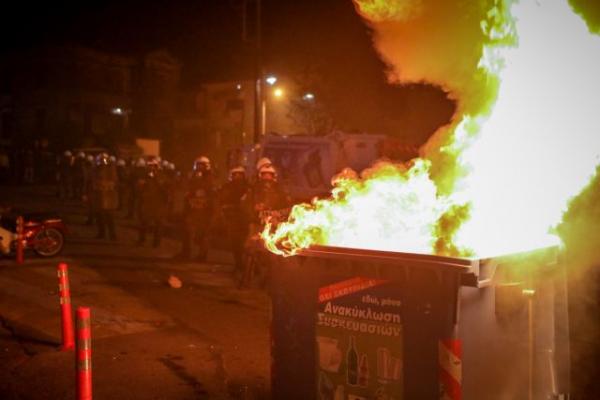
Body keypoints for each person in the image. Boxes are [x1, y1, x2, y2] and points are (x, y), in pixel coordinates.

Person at [179, 156, 215, 261]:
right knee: (187, 231)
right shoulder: (193, 177)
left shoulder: (210, 178)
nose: (199, 168)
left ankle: (202, 255)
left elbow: (211, 193)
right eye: (198, 165)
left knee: (203, 233)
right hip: (193, 209)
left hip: (204, 211)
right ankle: (186, 252)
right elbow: (188, 189)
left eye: (202, 165)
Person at [217, 166, 250, 274]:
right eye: (235, 174)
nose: (237, 177)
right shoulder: (227, 187)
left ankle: (248, 267)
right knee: (235, 244)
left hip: (245, 220)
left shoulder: (249, 188)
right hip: (232, 219)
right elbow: (221, 200)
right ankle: (239, 265)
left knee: (246, 244)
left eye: (240, 174)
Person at [137, 158, 168, 247]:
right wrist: (141, 186)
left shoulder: (162, 176)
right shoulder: (145, 176)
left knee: (158, 223)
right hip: (147, 202)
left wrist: (156, 178)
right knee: (144, 221)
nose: (151, 168)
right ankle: (142, 239)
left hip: (158, 203)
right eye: (150, 166)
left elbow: (165, 189)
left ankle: (156, 242)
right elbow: (140, 188)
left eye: (154, 166)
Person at [92, 153, 118, 240]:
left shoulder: (111, 169)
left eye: (104, 159)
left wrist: (106, 185)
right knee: (99, 216)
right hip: (99, 197)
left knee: (110, 217)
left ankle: (112, 235)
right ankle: (101, 233)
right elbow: (93, 181)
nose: (103, 161)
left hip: (109, 198)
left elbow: (114, 181)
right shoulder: (96, 169)